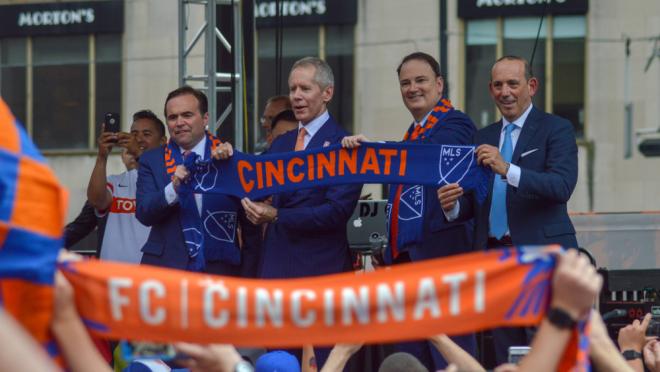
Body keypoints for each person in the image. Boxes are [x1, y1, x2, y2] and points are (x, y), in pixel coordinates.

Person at [437, 55, 579, 364]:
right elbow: (477, 204)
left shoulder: (556, 129)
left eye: (513, 83)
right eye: (498, 85)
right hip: (495, 261)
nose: (505, 92)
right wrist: (452, 206)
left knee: (547, 353)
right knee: (504, 352)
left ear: (532, 86)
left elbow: (561, 186)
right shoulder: (482, 137)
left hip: (542, 259)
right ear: (490, 89)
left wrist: (507, 169)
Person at [342, 51, 477, 370]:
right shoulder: (409, 135)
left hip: (443, 265)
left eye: (421, 80)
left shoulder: (454, 123)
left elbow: (427, 155)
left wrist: (373, 152)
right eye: (405, 83)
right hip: (405, 264)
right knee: (409, 360)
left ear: (439, 84)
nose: (413, 88)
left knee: (450, 356)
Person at [240, 57, 362, 365]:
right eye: (293, 88)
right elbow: (251, 185)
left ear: (327, 93)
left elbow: (335, 212)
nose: (296, 95)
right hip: (277, 272)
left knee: (319, 364)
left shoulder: (345, 145)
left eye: (305, 88)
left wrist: (276, 215)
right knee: (277, 363)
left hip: (320, 274)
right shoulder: (280, 144)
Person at [136, 86, 260, 275]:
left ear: (205, 119)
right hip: (165, 270)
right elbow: (144, 213)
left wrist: (247, 280)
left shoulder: (231, 160)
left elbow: (251, 230)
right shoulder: (151, 160)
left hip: (220, 270)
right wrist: (174, 188)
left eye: (187, 115)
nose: (179, 122)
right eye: (172, 117)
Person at [86, 110, 167, 263]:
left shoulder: (170, 179)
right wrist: (102, 155)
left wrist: (137, 151)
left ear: (163, 141)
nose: (138, 139)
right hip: (112, 280)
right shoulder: (116, 181)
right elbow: (96, 201)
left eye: (147, 134)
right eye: (134, 134)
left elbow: (165, 188)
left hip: (151, 280)